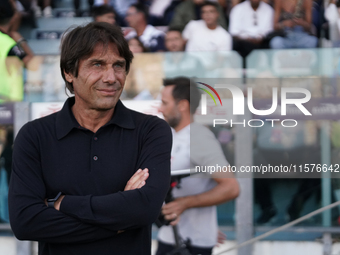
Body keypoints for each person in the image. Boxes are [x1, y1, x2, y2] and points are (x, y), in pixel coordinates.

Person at [8, 22, 172, 255]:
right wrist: (119, 221)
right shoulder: (35, 135)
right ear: (68, 72)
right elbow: (26, 222)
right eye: (97, 64)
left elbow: (145, 209)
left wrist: (62, 203)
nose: (111, 77)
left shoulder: (151, 130)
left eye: (119, 66)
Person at [156, 77, 240, 255]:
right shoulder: (170, 134)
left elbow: (231, 187)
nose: (160, 109)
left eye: (164, 103)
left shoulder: (199, 138)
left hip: (191, 245)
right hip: (168, 237)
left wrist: (184, 204)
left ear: (183, 105)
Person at [0, 0, 33, 102]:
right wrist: (21, 40)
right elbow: (31, 63)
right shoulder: (7, 42)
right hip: (8, 104)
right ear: (13, 17)